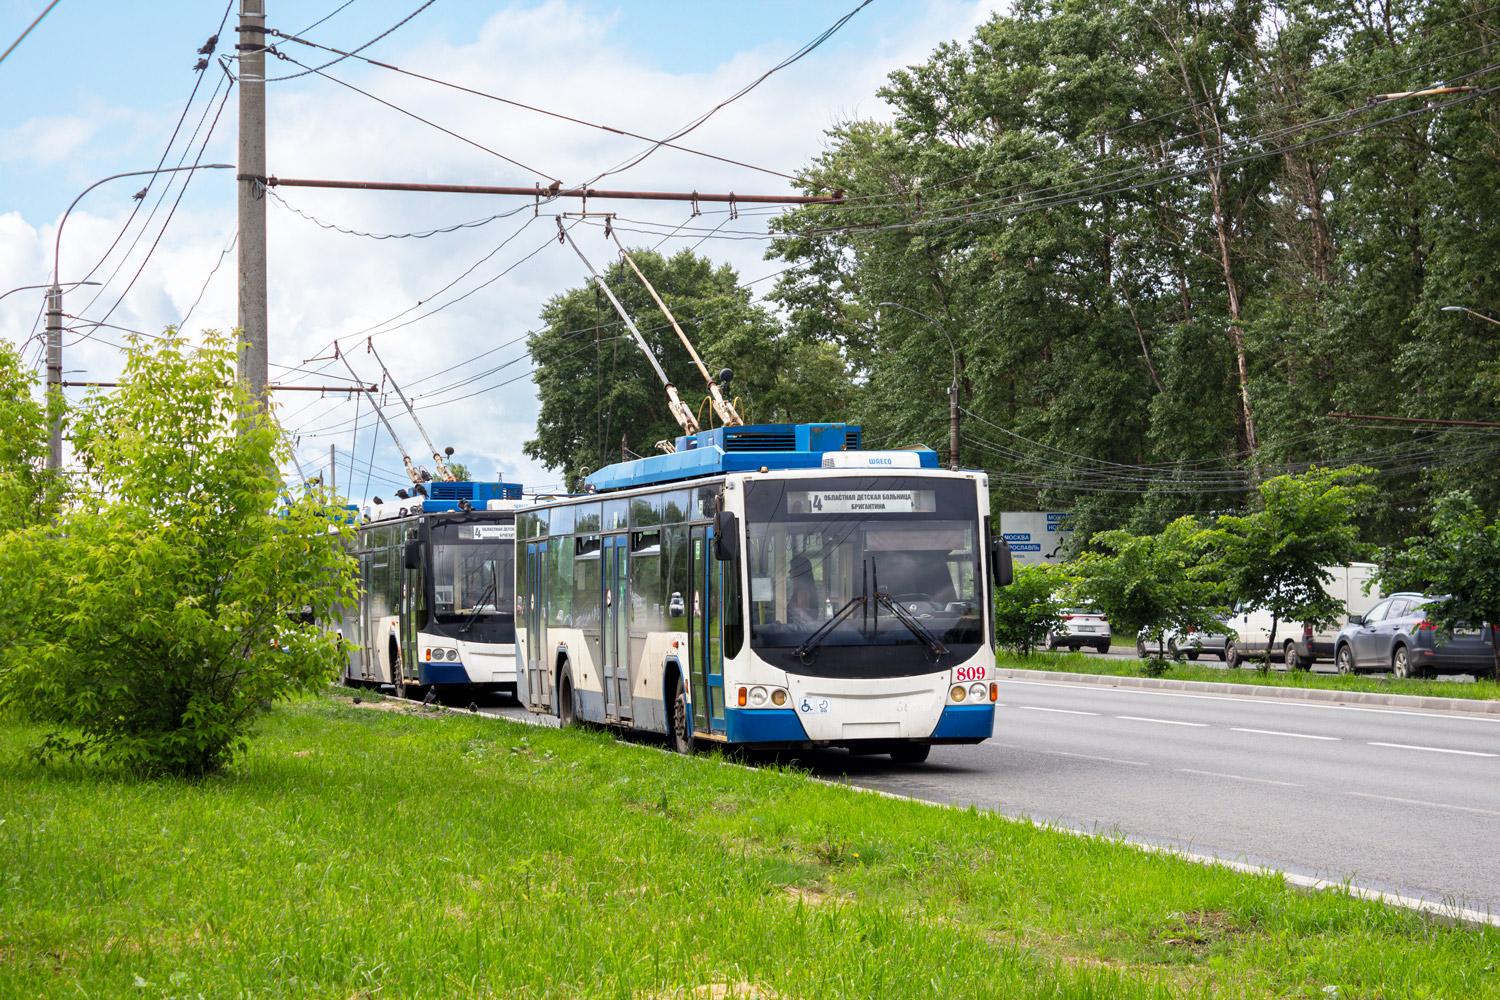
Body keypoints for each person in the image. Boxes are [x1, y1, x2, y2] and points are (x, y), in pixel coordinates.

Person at [787, 555, 819, 626]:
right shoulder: (809, 588)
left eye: (791, 568)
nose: (789, 571)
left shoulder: (803, 591)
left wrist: (794, 607)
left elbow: (805, 619)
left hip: (800, 634)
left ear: (798, 571)